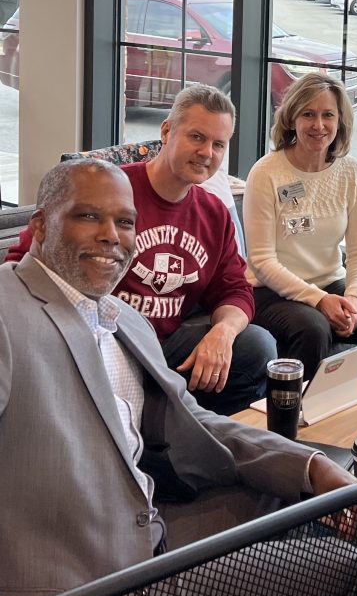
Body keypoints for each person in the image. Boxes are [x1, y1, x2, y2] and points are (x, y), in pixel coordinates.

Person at [0, 159, 357, 596]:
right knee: (347, 571)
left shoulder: (123, 320)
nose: (112, 236)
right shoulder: (8, 310)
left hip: (153, 537)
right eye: (88, 217)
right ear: (41, 226)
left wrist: (313, 467)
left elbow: (193, 419)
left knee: (312, 514)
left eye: (125, 222)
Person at [6, 85, 275, 415]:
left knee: (257, 346)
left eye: (218, 144)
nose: (207, 152)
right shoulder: (111, 190)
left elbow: (234, 289)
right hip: (98, 338)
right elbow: (23, 260)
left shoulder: (214, 213)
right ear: (166, 131)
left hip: (165, 348)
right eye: (196, 137)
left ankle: (208, 444)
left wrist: (223, 332)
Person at [243, 72, 357, 381]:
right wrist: (319, 300)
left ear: (340, 120)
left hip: (332, 283)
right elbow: (262, 261)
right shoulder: (266, 173)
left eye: (328, 114)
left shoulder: (352, 174)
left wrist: (355, 299)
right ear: (292, 118)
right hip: (271, 292)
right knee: (313, 329)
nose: (319, 125)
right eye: (308, 114)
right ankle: (298, 420)